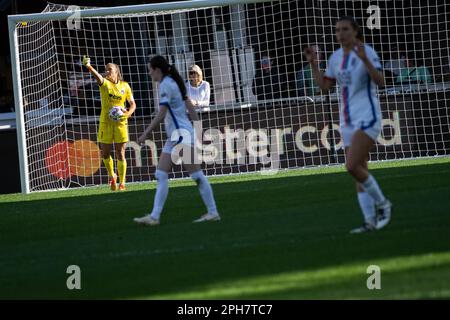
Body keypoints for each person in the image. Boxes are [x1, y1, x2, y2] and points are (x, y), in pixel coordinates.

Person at [304, 16, 392, 233]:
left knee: (351, 166)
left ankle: (384, 204)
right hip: (347, 121)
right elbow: (324, 87)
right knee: (359, 170)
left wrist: (366, 61)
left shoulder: (367, 51)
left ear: (355, 32)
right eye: (337, 30)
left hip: (368, 116)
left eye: (344, 29)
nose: (340, 33)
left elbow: (381, 82)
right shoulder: (335, 58)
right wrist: (314, 65)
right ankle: (370, 222)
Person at [133, 56, 220, 226]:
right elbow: (190, 108)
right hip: (177, 136)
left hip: (181, 136)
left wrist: (145, 134)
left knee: (196, 175)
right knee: (161, 174)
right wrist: (199, 132)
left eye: (150, 69)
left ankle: (213, 212)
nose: (149, 73)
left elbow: (161, 114)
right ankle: (154, 217)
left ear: (157, 70)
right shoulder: (175, 83)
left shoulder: (167, 85)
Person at [82, 56, 136, 191]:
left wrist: (127, 114)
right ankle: (112, 175)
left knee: (120, 152)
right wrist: (89, 66)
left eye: (109, 69)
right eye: (106, 70)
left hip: (120, 124)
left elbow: (133, 104)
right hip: (105, 123)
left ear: (117, 71)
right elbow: (98, 77)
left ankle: (122, 183)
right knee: (105, 153)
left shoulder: (125, 86)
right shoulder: (105, 83)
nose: (107, 72)